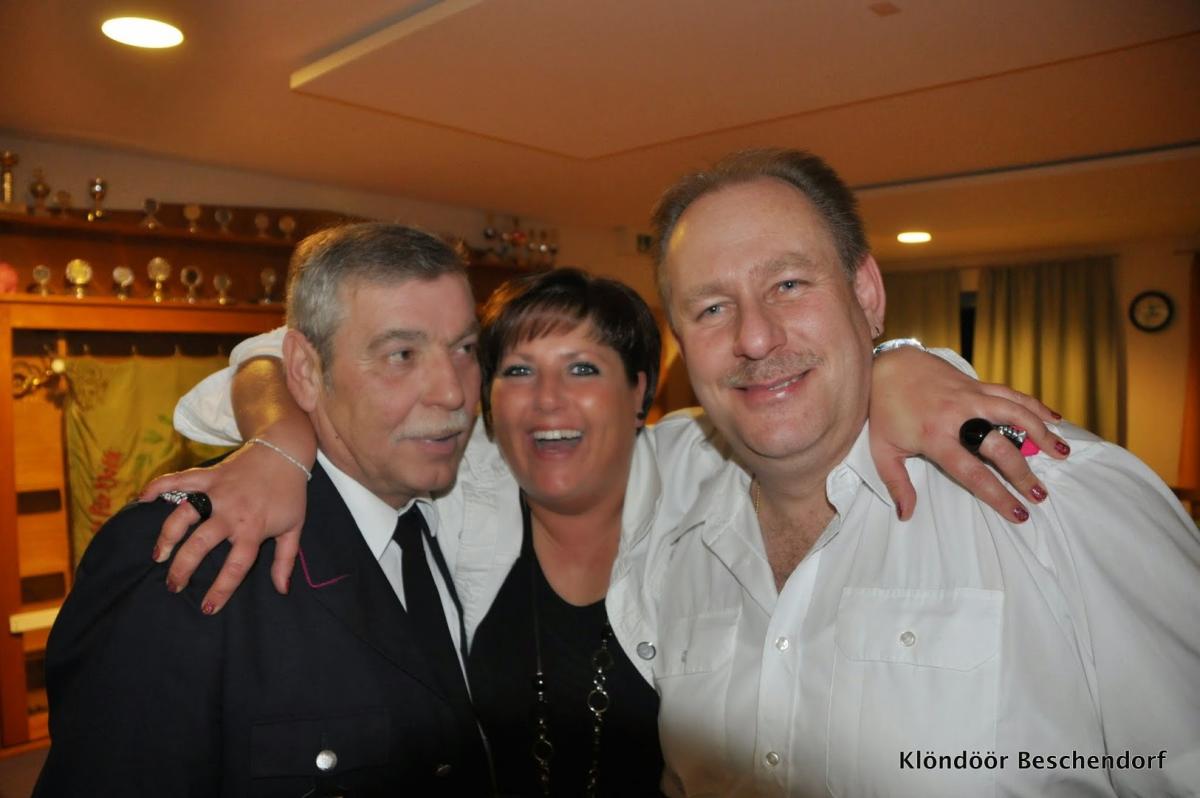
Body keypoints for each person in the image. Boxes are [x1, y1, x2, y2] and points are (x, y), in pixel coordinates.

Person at [153, 261, 1062, 794]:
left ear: (640, 393)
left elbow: (818, 398)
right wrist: (278, 442)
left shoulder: (709, 466)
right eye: (517, 372)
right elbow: (274, 356)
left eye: (584, 368)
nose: (547, 401)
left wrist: (900, 363)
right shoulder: (462, 485)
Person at [640, 147, 1200, 796]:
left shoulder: (1065, 501)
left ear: (866, 293)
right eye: (711, 308)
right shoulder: (663, 524)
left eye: (788, 284)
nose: (755, 338)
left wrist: (898, 357)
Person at [35, 224, 493, 796]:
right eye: (402, 354)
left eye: (465, 349)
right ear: (304, 371)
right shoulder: (186, 556)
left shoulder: (462, 505)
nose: (453, 393)